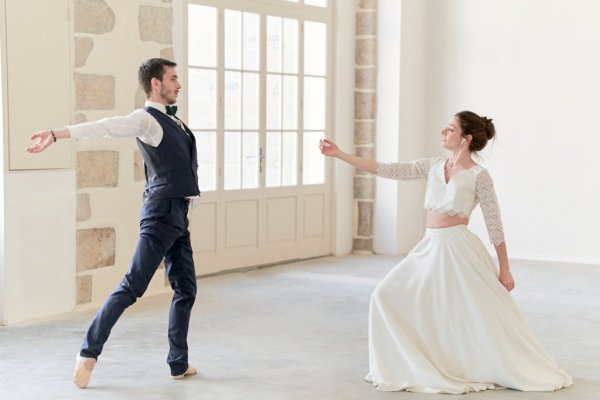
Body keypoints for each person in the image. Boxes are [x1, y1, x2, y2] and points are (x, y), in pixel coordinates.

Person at [319, 111, 573, 394]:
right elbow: (387, 168)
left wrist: (505, 268)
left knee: (467, 315)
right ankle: (409, 364)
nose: (443, 131)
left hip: (458, 251)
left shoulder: (479, 176)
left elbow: (494, 223)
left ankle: (476, 364)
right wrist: (341, 155)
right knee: (385, 295)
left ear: (466, 139)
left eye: (450, 129)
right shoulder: (432, 166)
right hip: (429, 247)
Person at [26, 58, 200, 388]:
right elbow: (105, 126)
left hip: (177, 213)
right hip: (161, 213)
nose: (179, 84)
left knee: (186, 288)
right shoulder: (145, 120)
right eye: (173, 78)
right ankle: (87, 352)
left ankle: (178, 362)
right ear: (155, 84)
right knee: (133, 285)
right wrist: (56, 134)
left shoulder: (174, 123)